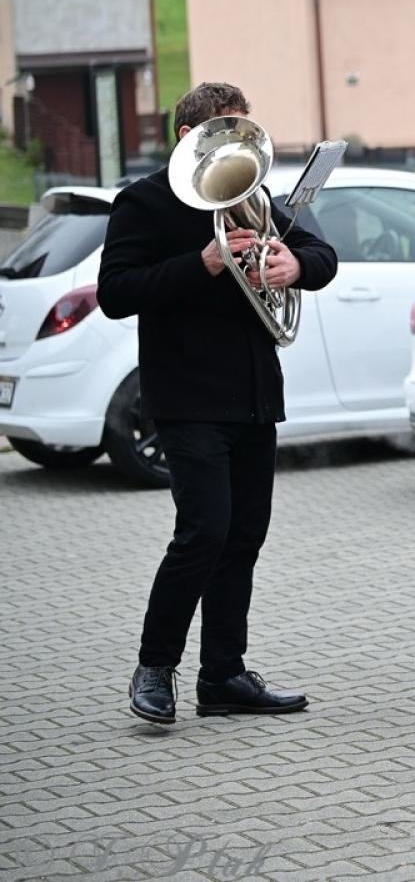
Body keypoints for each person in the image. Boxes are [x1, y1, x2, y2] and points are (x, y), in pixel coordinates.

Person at [101, 82, 338, 725]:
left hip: (255, 395)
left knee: (243, 537)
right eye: (226, 132)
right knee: (203, 531)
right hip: (187, 396)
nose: (241, 146)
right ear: (189, 137)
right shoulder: (143, 202)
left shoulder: (256, 197)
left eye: (245, 131)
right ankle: (155, 669)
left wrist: (297, 265)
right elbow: (116, 292)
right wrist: (201, 262)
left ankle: (224, 676)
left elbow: (323, 254)